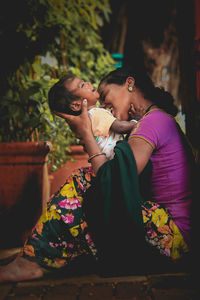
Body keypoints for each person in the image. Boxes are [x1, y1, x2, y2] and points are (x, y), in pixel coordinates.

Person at [0, 66, 194, 282]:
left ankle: (32, 260)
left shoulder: (152, 123)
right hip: (167, 231)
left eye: (105, 96)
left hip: (174, 239)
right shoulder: (151, 121)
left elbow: (113, 181)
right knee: (89, 191)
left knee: (85, 180)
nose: (103, 105)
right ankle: (36, 258)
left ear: (129, 84)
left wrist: (87, 136)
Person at [48, 75, 137, 159]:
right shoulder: (96, 113)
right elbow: (121, 127)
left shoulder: (89, 117)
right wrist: (137, 121)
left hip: (105, 161)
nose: (88, 83)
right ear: (76, 105)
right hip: (118, 157)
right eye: (82, 85)